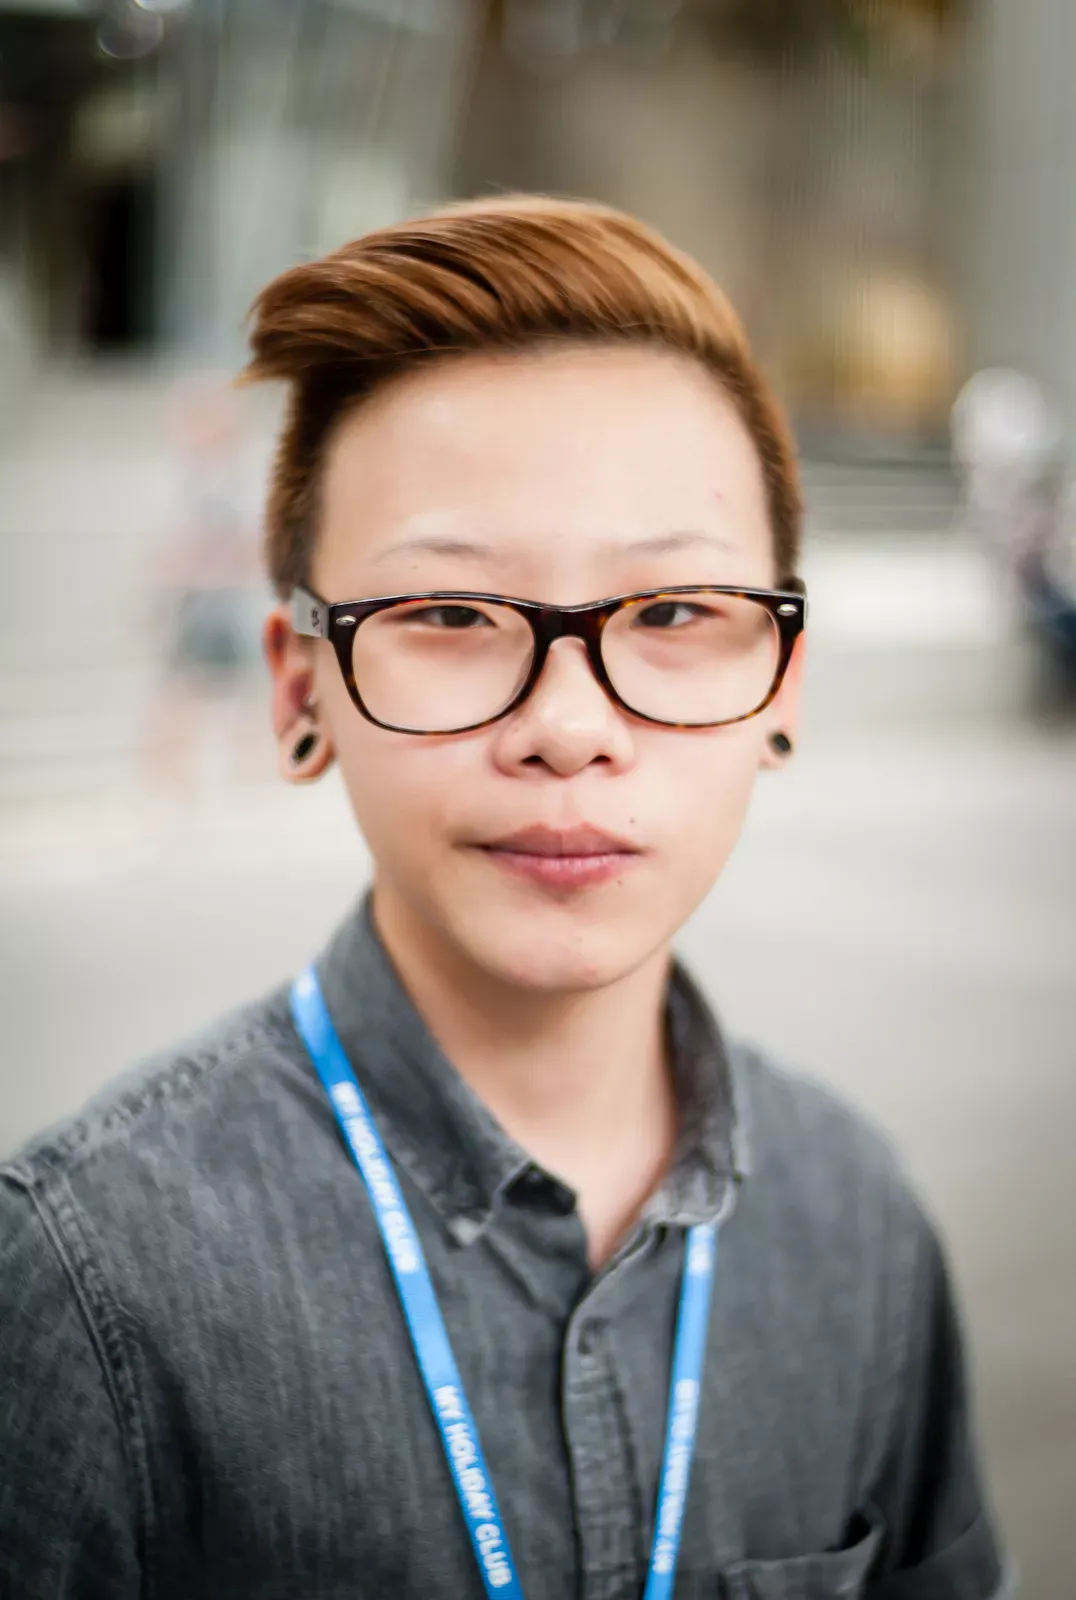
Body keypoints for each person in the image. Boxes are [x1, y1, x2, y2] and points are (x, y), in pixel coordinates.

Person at [0, 197, 1009, 1597]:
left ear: (783, 687)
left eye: (670, 614)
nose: (568, 725)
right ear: (303, 692)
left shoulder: (858, 1222)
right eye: (453, 619)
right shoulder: (84, 1278)